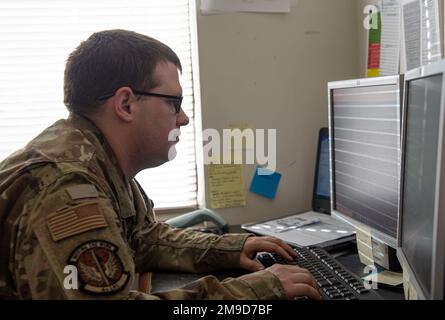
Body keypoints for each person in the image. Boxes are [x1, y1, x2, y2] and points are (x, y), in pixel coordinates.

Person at [0, 29, 320, 300]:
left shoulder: (96, 158)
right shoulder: (66, 185)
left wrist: (233, 248)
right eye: (173, 103)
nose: (183, 117)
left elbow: (144, 239)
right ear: (126, 104)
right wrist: (252, 292)